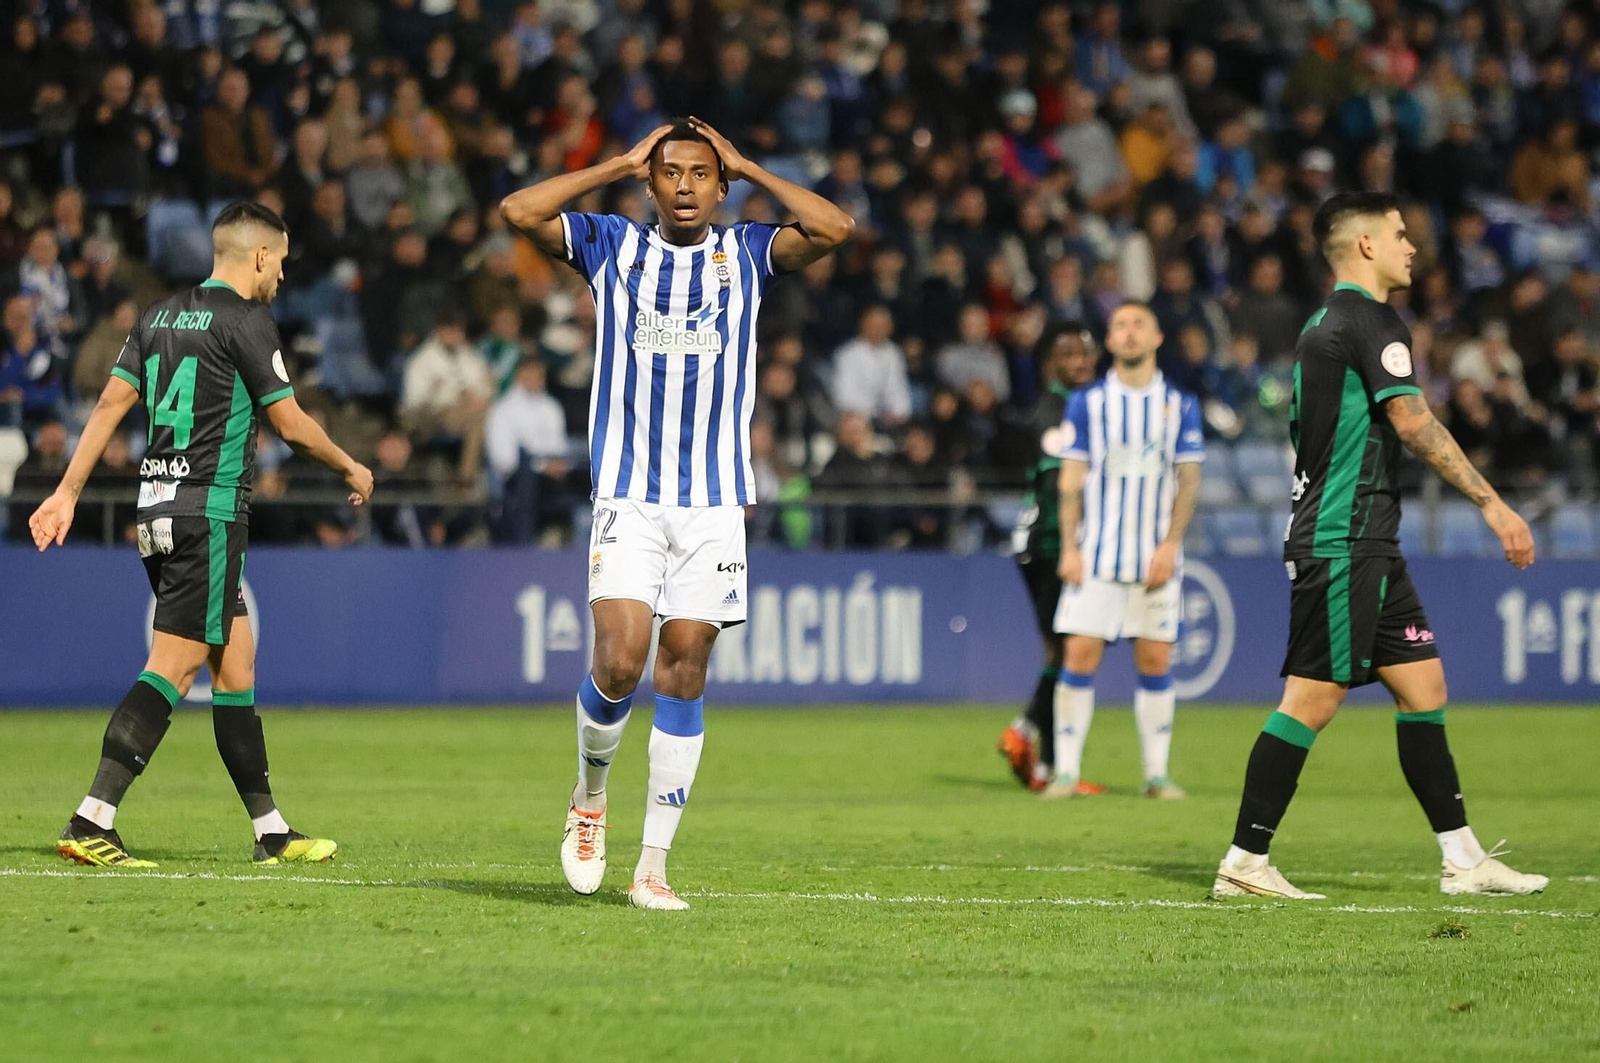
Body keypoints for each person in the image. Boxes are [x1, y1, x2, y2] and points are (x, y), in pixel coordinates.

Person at [501, 119, 853, 910]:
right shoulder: (612, 246)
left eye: (701, 173)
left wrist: (751, 164)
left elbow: (835, 227)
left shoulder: (748, 253)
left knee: (685, 663)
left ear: (721, 187)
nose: (686, 186)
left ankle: (652, 866)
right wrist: (617, 163)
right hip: (630, 494)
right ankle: (590, 798)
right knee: (621, 659)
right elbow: (519, 211)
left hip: (714, 502)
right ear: (651, 183)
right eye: (669, 172)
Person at [1213, 191, 1547, 900]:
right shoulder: (1370, 320)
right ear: (1365, 245)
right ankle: (1244, 861)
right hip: (1344, 537)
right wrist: (1492, 504)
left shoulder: (1322, 324)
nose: (1411, 246)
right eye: (1399, 234)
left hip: (1368, 539)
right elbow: (1413, 421)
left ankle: (1463, 858)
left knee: (1424, 688)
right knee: (1312, 697)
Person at [28, 202, 374, 868]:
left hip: (155, 510)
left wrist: (68, 490)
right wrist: (350, 465)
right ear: (261, 256)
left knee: (235, 660)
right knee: (175, 665)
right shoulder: (246, 320)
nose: (282, 275)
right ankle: (92, 817)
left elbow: (109, 404)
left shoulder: (157, 316)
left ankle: (271, 830)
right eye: (281, 261)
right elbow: (291, 424)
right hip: (207, 515)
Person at [1046, 302, 1203, 801]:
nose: (1129, 333)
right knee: (1079, 654)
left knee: (1155, 660)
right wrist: (1070, 548)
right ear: (1109, 342)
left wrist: (1171, 545)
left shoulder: (1180, 404)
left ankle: (1156, 775)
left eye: (1139, 325)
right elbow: (1071, 480)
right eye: (1120, 326)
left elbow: (1188, 480)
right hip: (1097, 556)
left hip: (1155, 558)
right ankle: (1066, 772)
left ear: (1157, 338)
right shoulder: (1087, 403)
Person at [995, 323, 1099, 792]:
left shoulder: (1081, 407)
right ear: (1049, 365)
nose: (1079, 361)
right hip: (1052, 544)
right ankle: (1024, 731)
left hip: (1050, 543)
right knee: (1072, 649)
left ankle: (1053, 768)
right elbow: (1062, 486)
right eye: (1068, 354)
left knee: (1061, 651)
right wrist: (1073, 548)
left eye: (1085, 352)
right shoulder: (1054, 412)